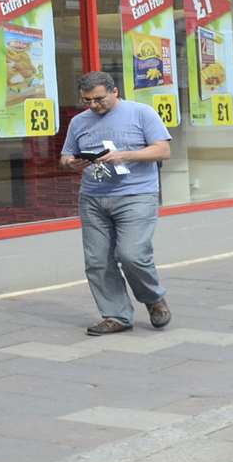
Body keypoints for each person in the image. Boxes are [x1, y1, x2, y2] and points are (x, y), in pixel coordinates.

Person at [59, 71, 172, 336]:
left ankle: (154, 298)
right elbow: (64, 157)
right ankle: (116, 315)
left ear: (114, 92)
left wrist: (125, 155)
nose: (94, 105)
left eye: (99, 99)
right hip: (93, 197)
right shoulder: (79, 122)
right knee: (98, 260)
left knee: (131, 255)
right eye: (87, 101)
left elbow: (163, 150)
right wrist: (72, 163)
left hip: (136, 194)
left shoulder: (141, 113)